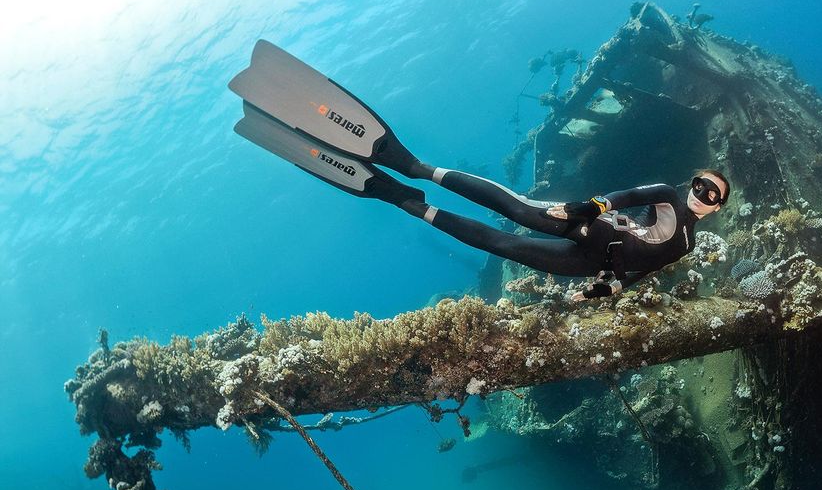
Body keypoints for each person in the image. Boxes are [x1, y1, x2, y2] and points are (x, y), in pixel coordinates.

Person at [228, 40, 729, 300]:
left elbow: (644, 270)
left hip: (591, 263)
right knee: (511, 207)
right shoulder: (666, 191)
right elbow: (624, 196)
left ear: (717, 208)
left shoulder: (686, 246)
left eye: (713, 195)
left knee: (500, 244)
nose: (704, 194)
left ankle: (405, 201)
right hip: (589, 223)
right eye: (703, 184)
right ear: (693, 184)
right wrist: (588, 205)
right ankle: (412, 165)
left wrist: (612, 287)